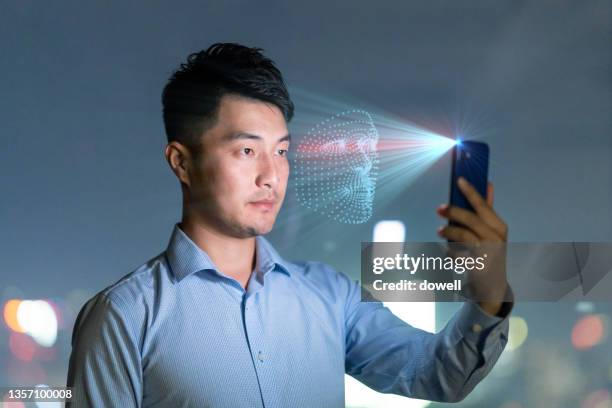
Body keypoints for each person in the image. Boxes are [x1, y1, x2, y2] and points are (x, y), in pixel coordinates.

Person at [67, 43, 513, 407]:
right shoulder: (124, 317)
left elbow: (437, 376)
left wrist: (489, 294)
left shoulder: (330, 296)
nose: (271, 175)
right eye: (246, 151)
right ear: (182, 162)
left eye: (280, 151)